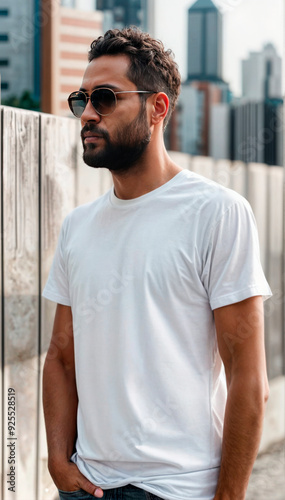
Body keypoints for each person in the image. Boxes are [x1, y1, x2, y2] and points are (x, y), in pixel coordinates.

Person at [42, 28, 272, 500]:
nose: (87, 113)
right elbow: (61, 359)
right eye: (81, 99)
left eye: (105, 98)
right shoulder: (76, 227)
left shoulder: (218, 213)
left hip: (179, 489)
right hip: (87, 486)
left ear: (158, 108)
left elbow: (248, 379)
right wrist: (57, 463)